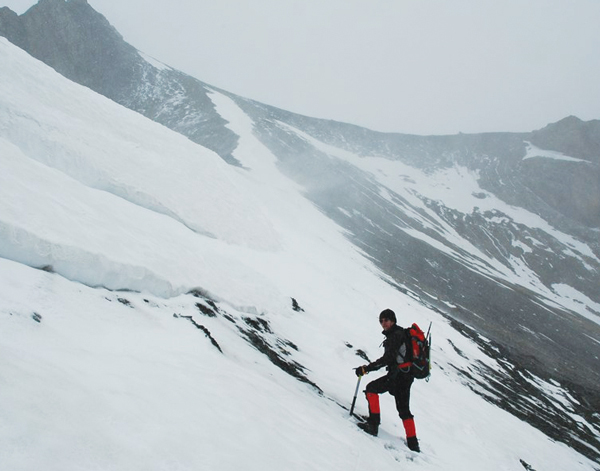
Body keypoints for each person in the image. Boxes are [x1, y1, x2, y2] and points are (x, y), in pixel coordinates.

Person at [355, 308, 420, 452]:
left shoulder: (395, 336)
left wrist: (366, 369)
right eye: (381, 321)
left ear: (393, 320)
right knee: (404, 410)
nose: (383, 323)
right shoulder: (402, 333)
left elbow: (387, 359)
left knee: (371, 388)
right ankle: (413, 443)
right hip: (406, 376)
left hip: (398, 376)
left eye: (386, 320)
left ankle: (373, 425)